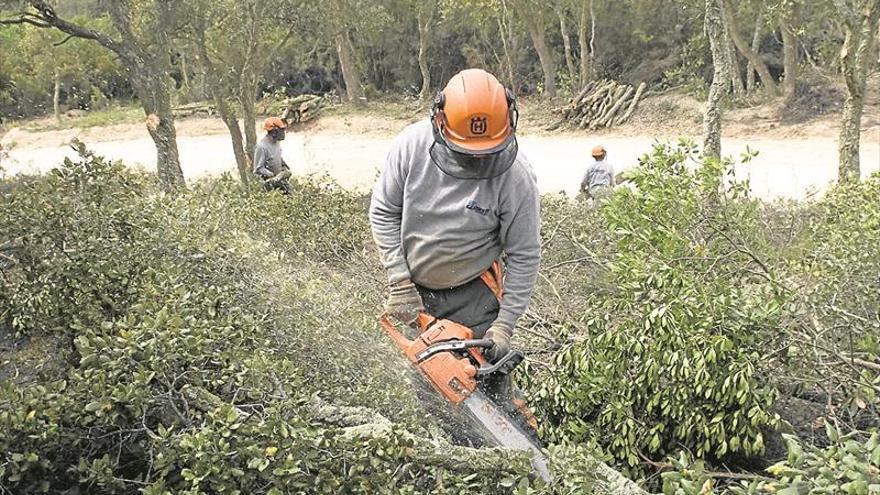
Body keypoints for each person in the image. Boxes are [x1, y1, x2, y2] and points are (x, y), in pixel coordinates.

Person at [369, 68, 540, 385]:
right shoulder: (410, 148)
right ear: (439, 122)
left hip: (474, 291)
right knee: (427, 385)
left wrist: (504, 325)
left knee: (487, 381)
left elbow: (524, 254)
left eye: (486, 153)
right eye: (466, 154)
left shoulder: (515, 176)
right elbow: (383, 211)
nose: (477, 161)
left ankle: (506, 431)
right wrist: (399, 281)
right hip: (415, 287)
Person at [253, 117, 292, 194]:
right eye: (282, 130)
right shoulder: (262, 146)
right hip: (268, 183)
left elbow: (276, 157)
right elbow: (258, 169)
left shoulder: (277, 143)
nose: (284, 133)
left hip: (278, 179)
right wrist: (273, 175)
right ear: (274, 131)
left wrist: (284, 166)